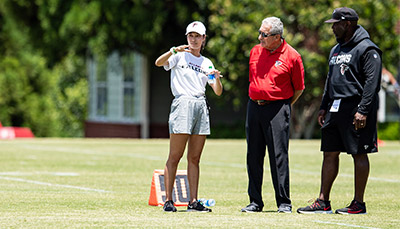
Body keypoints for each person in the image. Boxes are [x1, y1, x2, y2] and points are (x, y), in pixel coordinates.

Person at [297, 7, 382, 215]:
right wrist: (324, 106)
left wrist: (363, 110)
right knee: (329, 153)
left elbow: (372, 83)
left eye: (336, 23)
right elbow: (330, 80)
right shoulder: (336, 49)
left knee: (359, 153)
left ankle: (358, 204)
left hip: (357, 109)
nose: (333, 27)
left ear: (349, 24)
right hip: (335, 108)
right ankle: (323, 201)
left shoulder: (367, 48)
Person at [154, 21, 223, 212]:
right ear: (187, 37)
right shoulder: (179, 56)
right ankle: (169, 200)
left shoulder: (207, 62)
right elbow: (159, 63)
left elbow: (217, 91)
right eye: (190, 36)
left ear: (203, 39)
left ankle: (193, 201)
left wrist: (216, 78)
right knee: (175, 155)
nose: (193, 39)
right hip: (182, 103)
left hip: (200, 104)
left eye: (197, 36)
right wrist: (172, 51)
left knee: (194, 158)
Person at [241, 17, 305, 213]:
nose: (259, 37)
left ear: (277, 37)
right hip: (254, 107)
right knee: (253, 154)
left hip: (277, 108)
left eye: (264, 34)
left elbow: (299, 88)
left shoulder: (292, 56)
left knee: (278, 156)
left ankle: (284, 202)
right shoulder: (255, 51)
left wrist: (282, 105)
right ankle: (255, 201)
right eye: (259, 32)